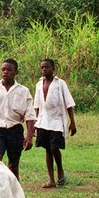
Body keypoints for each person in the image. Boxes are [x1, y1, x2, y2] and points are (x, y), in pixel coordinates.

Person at [0, 58, 36, 180]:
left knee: (13, 164)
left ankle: (14, 192)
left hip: (15, 130)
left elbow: (30, 115)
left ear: (16, 72)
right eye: (3, 70)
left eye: (9, 70)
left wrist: (29, 136)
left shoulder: (23, 91)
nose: (5, 72)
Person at [34, 58, 77, 188]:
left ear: (53, 68)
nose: (44, 69)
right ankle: (51, 179)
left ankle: (60, 170)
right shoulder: (39, 85)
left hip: (57, 120)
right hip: (43, 120)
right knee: (47, 149)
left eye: (46, 67)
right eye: (42, 67)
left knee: (54, 147)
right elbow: (37, 105)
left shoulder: (60, 84)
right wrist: (36, 123)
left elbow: (69, 104)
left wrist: (72, 122)